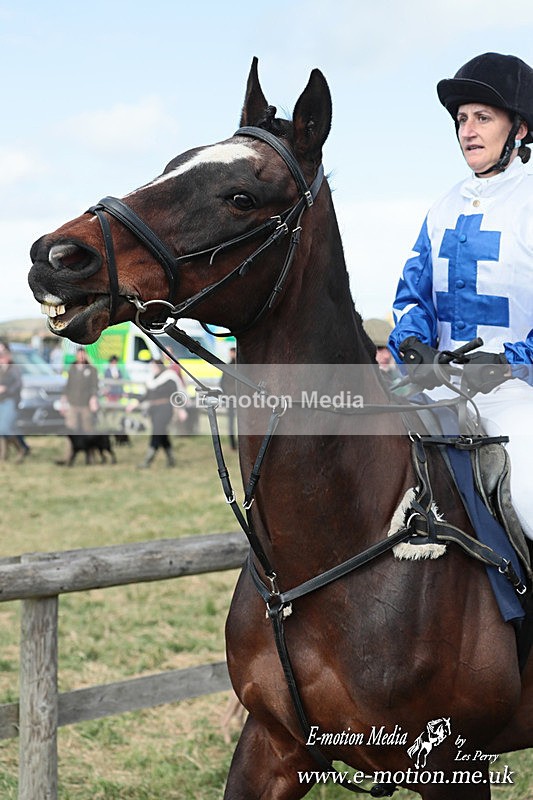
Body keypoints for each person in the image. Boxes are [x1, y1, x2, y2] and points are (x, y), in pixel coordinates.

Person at [389, 52, 533, 541]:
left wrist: (510, 363)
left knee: (530, 499)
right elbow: (412, 297)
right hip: (433, 387)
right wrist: (413, 346)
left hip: (514, 395)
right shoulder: (441, 208)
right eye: (462, 119)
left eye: (483, 118)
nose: (468, 130)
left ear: (518, 129)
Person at [138, 359, 183, 468]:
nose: (152, 368)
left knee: (157, 431)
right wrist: (136, 403)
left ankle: (148, 460)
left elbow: (176, 394)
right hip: (154, 409)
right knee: (162, 433)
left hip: (165, 408)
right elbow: (147, 394)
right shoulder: (152, 379)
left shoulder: (169, 377)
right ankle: (171, 459)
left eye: (154, 366)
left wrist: (180, 409)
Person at [0, 341, 23, 460]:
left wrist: (6, 389)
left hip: (10, 401)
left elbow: (18, 384)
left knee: (4, 428)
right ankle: (4, 455)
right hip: (1, 401)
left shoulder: (14, 368)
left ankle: (20, 449)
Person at [219, 347, 237, 450]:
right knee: (231, 422)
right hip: (231, 398)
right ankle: (232, 444)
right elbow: (222, 383)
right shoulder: (228, 366)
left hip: (240, 398)